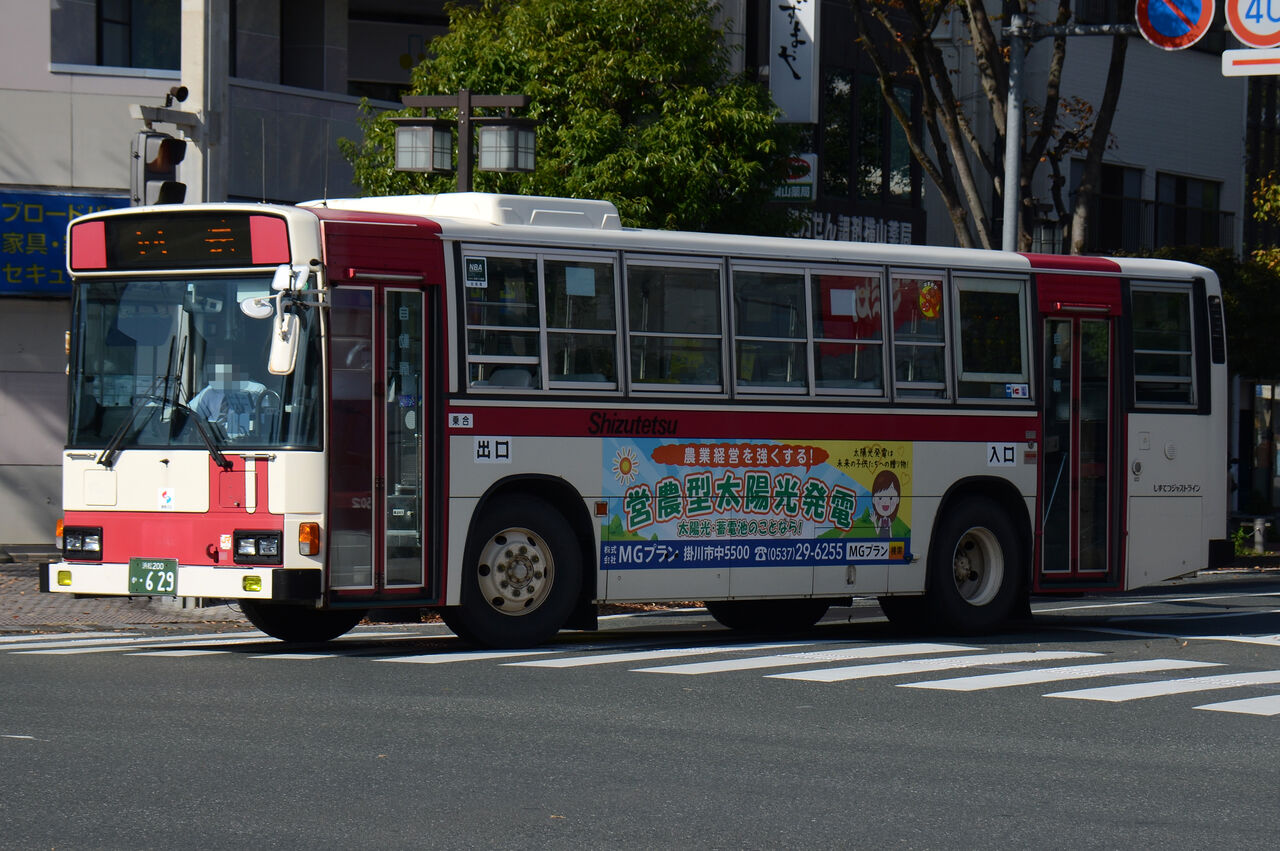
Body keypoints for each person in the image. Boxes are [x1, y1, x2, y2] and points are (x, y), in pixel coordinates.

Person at [190, 359, 267, 439]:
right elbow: (190, 413)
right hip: (210, 442)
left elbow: (263, 423)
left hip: (241, 443)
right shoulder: (211, 389)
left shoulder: (256, 390)